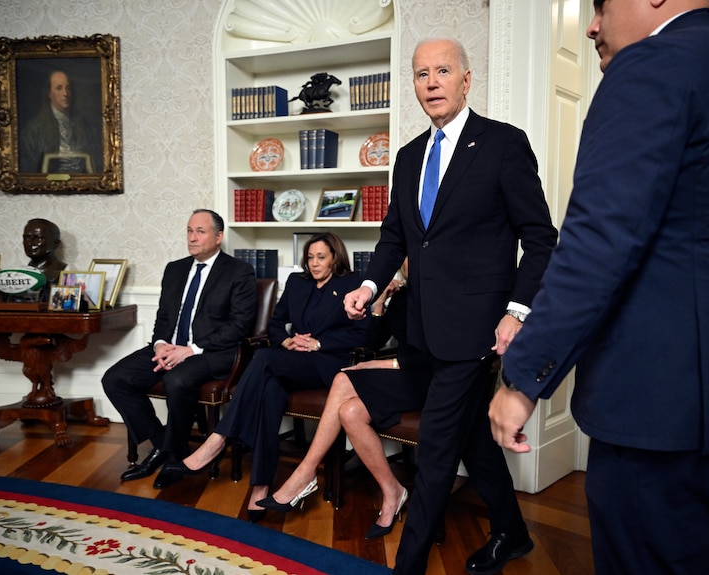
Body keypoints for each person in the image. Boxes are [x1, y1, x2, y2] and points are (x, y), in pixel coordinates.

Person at [489, 2, 709, 574]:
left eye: (601, 6)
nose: (591, 25)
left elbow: (598, 239)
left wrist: (521, 379)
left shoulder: (650, 65)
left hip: (666, 406)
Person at [343, 38, 558, 575]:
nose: (432, 82)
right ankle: (511, 532)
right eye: (421, 74)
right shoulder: (410, 155)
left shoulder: (505, 144)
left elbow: (540, 237)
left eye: (442, 71)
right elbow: (396, 235)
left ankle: (408, 564)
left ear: (466, 80)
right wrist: (369, 288)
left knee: (437, 449)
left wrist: (518, 311)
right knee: (470, 439)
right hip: (421, 332)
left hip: (477, 332)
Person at [160, 232, 369, 520]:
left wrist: (318, 343)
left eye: (321, 257)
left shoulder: (352, 284)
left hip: (326, 365)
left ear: (336, 257)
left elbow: (362, 335)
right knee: (269, 390)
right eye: (310, 257)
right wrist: (286, 341)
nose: (314, 263)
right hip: (291, 360)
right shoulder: (298, 282)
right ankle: (260, 486)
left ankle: (219, 438)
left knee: (264, 358)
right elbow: (274, 325)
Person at [261, 261, 432, 540]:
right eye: (403, 256)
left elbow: (427, 357)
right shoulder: (400, 296)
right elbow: (372, 343)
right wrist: (379, 305)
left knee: (343, 378)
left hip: (429, 381)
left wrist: (377, 366)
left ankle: (306, 472)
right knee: (350, 412)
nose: (408, 262)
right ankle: (393, 490)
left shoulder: (439, 294)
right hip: (402, 374)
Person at [102, 209, 258, 488]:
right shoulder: (175, 269)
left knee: (177, 379)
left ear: (219, 236)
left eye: (200, 231)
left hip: (212, 353)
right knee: (115, 379)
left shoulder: (239, 272)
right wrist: (161, 345)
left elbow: (239, 326)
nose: (192, 238)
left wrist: (190, 350)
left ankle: (173, 457)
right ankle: (165, 446)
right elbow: (163, 317)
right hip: (169, 346)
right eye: (189, 231)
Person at [19, 69, 101, 174]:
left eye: (68, 88)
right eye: (59, 88)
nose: (65, 94)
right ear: (49, 93)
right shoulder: (33, 129)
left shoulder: (85, 125)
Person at [22, 218, 67, 284]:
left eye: (38, 238)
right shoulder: (19, 275)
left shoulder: (64, 273)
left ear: (56, 244)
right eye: (27, 238)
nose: (30, 243)